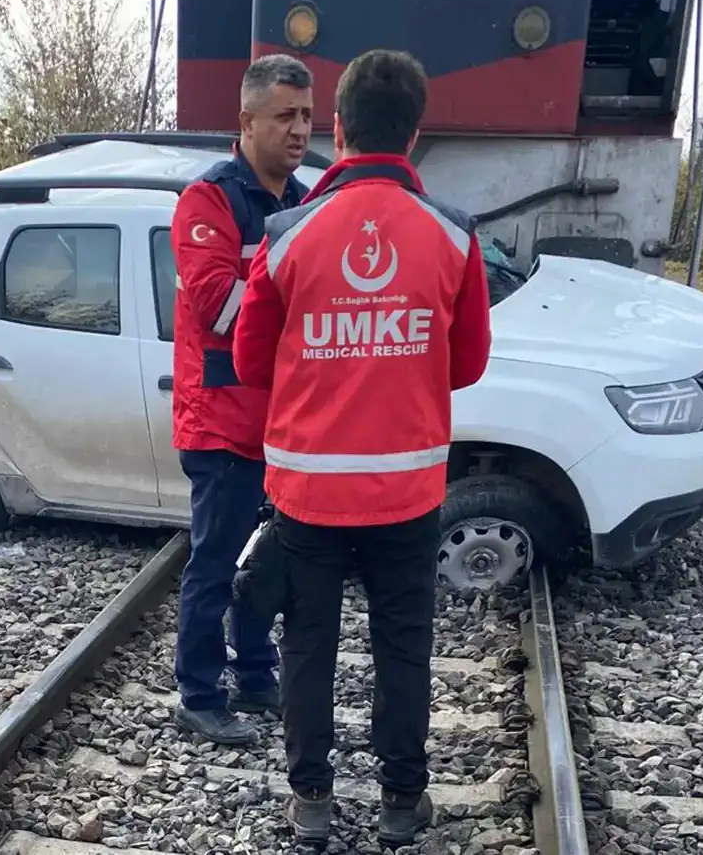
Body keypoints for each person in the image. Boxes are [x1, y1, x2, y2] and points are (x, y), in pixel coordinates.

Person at [232, 49, 492, 846]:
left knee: (309, 646)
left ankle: (311, 801)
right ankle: (400, 803)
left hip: (308, 494)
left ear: (337, 128)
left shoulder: (288, 236)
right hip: (408, 497)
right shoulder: (453, 240)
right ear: (415, 135)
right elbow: (469, 364)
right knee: (403, 650)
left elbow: (248, 362)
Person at [169, 53, 315, 746]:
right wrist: (285, 278)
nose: (299, 130)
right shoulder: (208, 201)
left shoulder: (302, 202)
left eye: (308, 116)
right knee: (215, 562)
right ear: (247, 121)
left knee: (271, 564)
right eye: (285, 115)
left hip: (285, 424)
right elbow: (218, 305)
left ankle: (256, 676)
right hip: (223, 425)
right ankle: (199, 693)